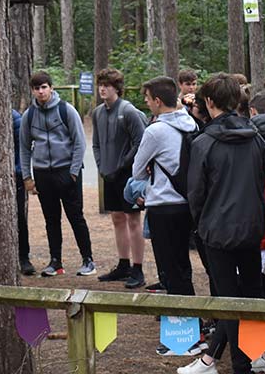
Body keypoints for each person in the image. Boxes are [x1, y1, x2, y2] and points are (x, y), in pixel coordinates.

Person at [179, 73, 265, 374]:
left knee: (231, 300)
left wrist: (204, 221)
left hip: (220, 229)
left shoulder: (205, 142)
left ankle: (245, 363)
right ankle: (258, 357)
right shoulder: (252, 138)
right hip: (247, 226)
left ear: (209, 101)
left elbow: (195, 192)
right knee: (252, 295)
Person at [19, 71, 95, 277]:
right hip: (43, 174)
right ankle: (55, 261)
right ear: (33, 91)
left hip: (67, 172)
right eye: (36, 88)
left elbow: (79, 142)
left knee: (75, 216)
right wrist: (27, 177)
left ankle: (88, 259)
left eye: (44, 87)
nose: (41, 91)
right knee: (51, 219)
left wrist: (73, 172)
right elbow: (24, 147)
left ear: (51, 88)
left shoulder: (66, 110)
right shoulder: (29, 115)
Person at [134, 76, 198, 298]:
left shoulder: (155, 130)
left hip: (162, 203)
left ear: (158, 101)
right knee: (182, 263)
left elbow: (137, 171)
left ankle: (182, 320)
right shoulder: (191, 123)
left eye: (148, 98)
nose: (147, 102)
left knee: (169, 267)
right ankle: (187, 317)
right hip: (185, 201)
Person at [91, 68, 148, 288]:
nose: (103, 88)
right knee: (117, 218)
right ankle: (123, 264)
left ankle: (138, 268)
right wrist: (101, 166)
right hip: (108, 173)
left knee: (133, 220)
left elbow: (140, 142)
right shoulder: (97, 113)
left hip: (127, 174)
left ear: (117, 87)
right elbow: (96, 144)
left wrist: (123, 164)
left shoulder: (129, 111)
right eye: (101, 85)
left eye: (107, 85)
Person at [13, 107, 34, 275]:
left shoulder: (15, 119)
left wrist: (20, 174)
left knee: (19, 216)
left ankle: (23, 257)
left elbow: (22, 151)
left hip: (14, 176)